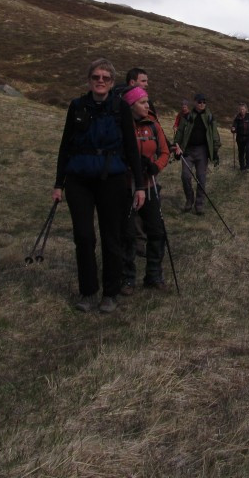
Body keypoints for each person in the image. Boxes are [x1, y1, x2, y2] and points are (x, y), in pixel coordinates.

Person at [52, 58, 145, 314]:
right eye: (96, 77)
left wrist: (139, 185)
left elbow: (131, 149)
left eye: (105, 77)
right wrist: (59, 183)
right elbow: (65, 146)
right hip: (78, 180)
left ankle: (110, 292)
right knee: (83, 237)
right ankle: (88, 291)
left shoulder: (120, 108)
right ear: (89, 80)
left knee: (111, 237)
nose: (100, 81)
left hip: (112, 180)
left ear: (112, 82)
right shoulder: (77, 107)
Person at [120, 86, 170, 294]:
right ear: (131, 105)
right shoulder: (121, 125)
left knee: (157, 232)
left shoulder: (153, 125)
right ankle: (127, 279)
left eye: (147, 101)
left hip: (150, 187)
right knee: (127, 234)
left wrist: (156, 166)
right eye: (143, 102)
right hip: (125, 187)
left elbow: (165, 151)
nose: (147, 106)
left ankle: (153, 275)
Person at [173, 93, 221, 214]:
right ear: (195, 102)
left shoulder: (209, 117)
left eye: (204, 102)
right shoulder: (188, 116)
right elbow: (179, 132)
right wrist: (176, 146)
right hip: (188, 151)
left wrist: (215, 150)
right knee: (185, 176)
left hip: (202, 151)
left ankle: (199, 205)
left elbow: (214, 133)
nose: (202, 104)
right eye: (200, 101)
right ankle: (189, 200)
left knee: (201, 178)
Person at [231, 103, 249, 171]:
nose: (241, 111)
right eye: (240, 109)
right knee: (241, 152)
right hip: (240, 138)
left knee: (248, 151)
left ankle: (248, 166)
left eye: (243, 109)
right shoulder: (237, 118)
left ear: (246, 109)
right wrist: (233, 129)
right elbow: (234, 126)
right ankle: (242, 166)